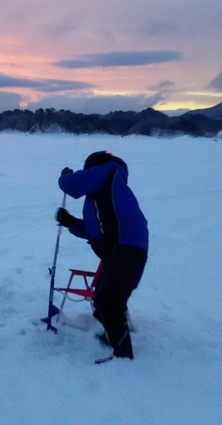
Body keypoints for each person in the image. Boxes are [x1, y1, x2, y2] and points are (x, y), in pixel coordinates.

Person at [56, 151, 148, 362]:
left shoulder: (107, 171)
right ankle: (113, 336)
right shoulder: (107, 192)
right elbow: (92, 230)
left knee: (108, 302)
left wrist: (65, 176)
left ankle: (123, 351)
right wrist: (70, 222)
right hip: (125, 249)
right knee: (105, 299)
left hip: (123, 248)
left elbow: (72, 185)